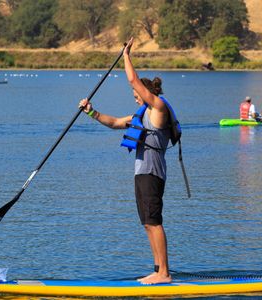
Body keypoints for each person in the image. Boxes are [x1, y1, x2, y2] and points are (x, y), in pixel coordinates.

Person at [78, 37, 175, 285]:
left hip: (153, 173)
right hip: (141, 173)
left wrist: (126, 55)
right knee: (146, 223)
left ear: (146, 93)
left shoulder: (159, 109)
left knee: (155, 222)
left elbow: (133, 79)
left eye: (136, 95)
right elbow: (112, 123)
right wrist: (91, 111)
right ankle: (157, 269)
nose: (134, 98)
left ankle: (164, 273)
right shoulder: (138, 116)